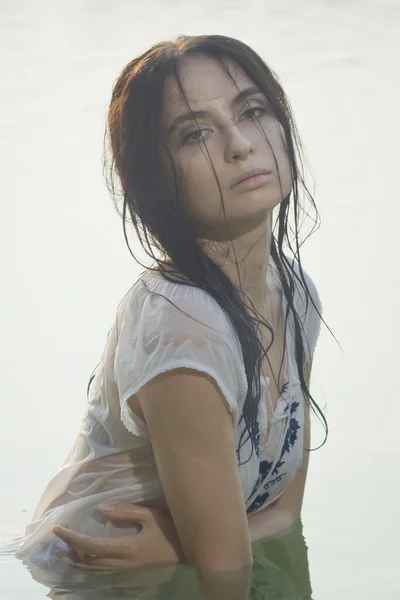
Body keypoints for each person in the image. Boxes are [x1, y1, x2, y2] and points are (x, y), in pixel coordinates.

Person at [11, 33, 332, 597]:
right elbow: (226, 574)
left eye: (253, 110)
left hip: (173, 569)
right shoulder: (185, 323)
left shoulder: (296, 293)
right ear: (158, 182)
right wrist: (206, 549)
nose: (239, 145)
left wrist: (183, 543)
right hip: (105, 580)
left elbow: (284, 512)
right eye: (195, 133)